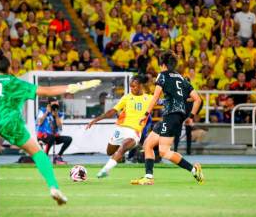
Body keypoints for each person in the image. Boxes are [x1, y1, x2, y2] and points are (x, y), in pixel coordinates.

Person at [0, 52, 101, 205]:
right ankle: (53, 187)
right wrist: (74, 87)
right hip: (9, 121)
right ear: (9, 68)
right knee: (37, 153)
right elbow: (47, 91)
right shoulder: (15, 82)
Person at [131, 51, 203, 185]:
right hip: (174, 117)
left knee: (164, 151)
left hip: (171, 117)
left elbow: (155, 96)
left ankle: (194, 169)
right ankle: (148, 177)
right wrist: (190, 116)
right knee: (148, 144)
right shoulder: (181, 78)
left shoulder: (162, 75)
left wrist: (146, 114)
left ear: (162, 64)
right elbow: (197, 99)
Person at [86, 75, 152, 178]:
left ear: (140, 86)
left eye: (134, 86)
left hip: (134, 132)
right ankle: (119, 157)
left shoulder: (149, 98)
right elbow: (112, 111)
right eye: (130, 86)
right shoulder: (127, 97)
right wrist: (96, 120)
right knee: (110, 151)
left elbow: (164, 101)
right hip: (120, 129)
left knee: (123, 147)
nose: (132, 88)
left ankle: (105, 170)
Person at [36, 97, 72, 164]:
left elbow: (59, 126)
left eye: (56, 103)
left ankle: (58, 157)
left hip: (54, 136)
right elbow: (39, 122)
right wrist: (47, 112)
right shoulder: (42, 111)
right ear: (49, 105)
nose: (55, 105)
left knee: (68, 139)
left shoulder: (60, 114)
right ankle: (44, 157)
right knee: (51, 137)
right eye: (53, 104)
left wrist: (56, 116)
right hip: (43, 136)